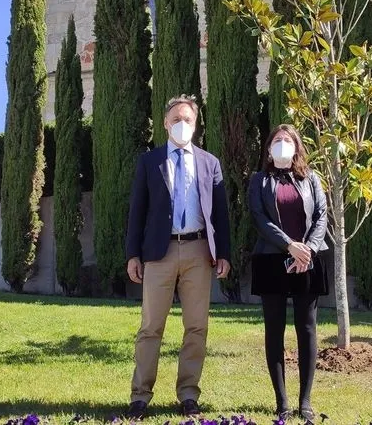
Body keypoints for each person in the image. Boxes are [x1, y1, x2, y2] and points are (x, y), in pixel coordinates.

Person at [124, 95, 232, 420]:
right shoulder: (149, 161)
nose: (182, 124)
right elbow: (137, 211)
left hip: (200, 251)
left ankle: (188, 394)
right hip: (159, 252)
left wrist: (223, 252)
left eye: (188, 119)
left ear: (195, 124)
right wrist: (133, 254)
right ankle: (140, 397)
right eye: (176, 119)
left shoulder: (210, 163)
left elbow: (221, 215)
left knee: (196, 327)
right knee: (150, 327)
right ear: (165, 123)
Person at [248, 124, 328, 423]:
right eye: (277, 141)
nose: (282, 144)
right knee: (275, 331)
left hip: (307, 260)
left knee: (307, 330)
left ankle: (305, 401)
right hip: (272, 261)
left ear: (297, 147)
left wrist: (308, 249)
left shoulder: (312, 179)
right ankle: (282, 402)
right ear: (269, 149)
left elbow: (322, 215)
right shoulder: (259, 180)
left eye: (287, 140)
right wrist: (289, 245)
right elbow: (259, 218)